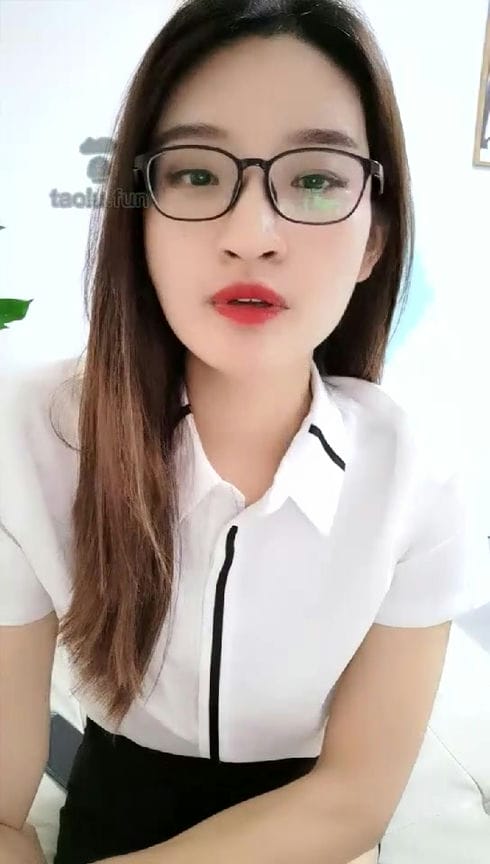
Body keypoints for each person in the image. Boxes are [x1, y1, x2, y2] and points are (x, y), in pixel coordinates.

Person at [1, 1, 490, 863]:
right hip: (113, 813)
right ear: (138, 219)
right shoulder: (28, 437)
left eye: (314, 180)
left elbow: (351, 799)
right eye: (196, 173)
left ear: (374, 239)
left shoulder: (418, 476)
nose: (252, 236)